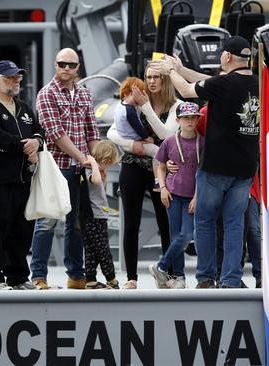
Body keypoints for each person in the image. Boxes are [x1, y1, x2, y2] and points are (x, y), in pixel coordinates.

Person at [159, 35, 259, 288]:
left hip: (216, 167)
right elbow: (208, 82)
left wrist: (171, 71)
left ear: (226, 57)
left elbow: (185, 90)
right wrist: (181, 69)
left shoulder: (224, 84)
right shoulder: (257, 84)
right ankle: (231, 279)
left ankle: (205, 277)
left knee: (204, 221)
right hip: (246, 168)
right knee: (235, 224)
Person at [107, 62, 181, 289]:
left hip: (162, 169)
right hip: (133, 164)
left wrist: (147, 107)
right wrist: (132, 144)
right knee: (131, 221)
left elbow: (166, 134)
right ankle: (131, 277)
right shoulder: (132, 103)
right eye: (148, 76)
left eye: (157, 76)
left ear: (166, 79)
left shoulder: (176, 106)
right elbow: (112, 131)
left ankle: (169, 274)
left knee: (166, 222)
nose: (151, 81)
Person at [31, 48, 99, 290]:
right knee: (47, 221)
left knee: (77, 223)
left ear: (78, 67)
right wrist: (85, 158)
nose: (67, 69)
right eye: (62, 64)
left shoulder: (84, 93)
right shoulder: (46, 94)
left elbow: (92, 131)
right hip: (55, 168)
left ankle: (76, 276)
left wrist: (97, 161)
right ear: (55, 64)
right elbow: (56, 134)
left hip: (80, 169)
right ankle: (38, 276)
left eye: (71, 65)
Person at [0, 60, 44, 290]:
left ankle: (19, 276)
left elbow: (39, 131)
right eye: (11, 77)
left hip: (23, 178)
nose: (16, 81)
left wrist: (37, 142)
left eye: (18, 77)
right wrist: (25, 146)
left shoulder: (23, 106)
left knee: (21, 230)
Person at [149, 102, 203, 289]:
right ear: (177, 119)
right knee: (175, 236)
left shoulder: (202, 142)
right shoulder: (170, 141)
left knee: (186, 235)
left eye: (193, 117)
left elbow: (202, 173)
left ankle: (161, 267)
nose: (190, 121)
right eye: (186, 117)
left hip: (191, 196)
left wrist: (197, 197)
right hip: (172, 194)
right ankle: (178, 277)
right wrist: (162, 187)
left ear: (197, 119)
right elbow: (160, 165)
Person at [80, 141, 120, 289]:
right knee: (103, 249)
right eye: (107, 162)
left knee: (91, 249)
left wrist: (102, 172)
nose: (108, 166)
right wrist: (94, 164)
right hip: (93, 216)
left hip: (98, 215)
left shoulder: (96, 170)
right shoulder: (90, 170)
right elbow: (95, 181)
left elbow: (100, 187)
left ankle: (90, 279)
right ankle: (111, 278)